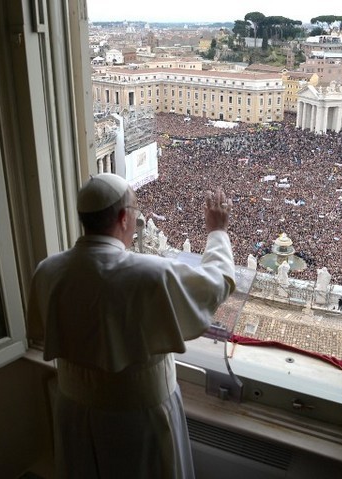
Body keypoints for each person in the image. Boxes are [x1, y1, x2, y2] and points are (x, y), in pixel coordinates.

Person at [26, 173, 236, 478]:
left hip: (74, 414)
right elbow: (217, 283)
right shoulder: (150, 274)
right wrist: (217, 232)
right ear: (124, 218)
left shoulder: (47, 271)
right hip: (140, 421)